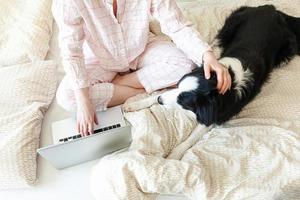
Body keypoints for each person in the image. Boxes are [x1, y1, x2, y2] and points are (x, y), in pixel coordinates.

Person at [52, 0, 232, 137]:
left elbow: (176, 25)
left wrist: (207, 55)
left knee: (186, 64)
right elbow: (71, 52)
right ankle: (140, 92)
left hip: (141, 47)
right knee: (68, 96)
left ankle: (121, 82)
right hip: (99, 57)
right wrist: (84, 102)